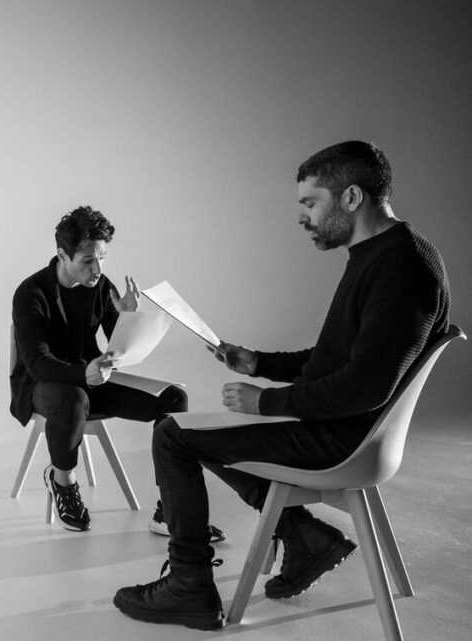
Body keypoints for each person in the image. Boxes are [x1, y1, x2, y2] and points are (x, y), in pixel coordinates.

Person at [113, 140, 451, 630]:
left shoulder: (400, 269)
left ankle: (189, 587)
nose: (301, 217)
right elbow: (339, 359)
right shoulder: (384, 254)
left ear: (351, 197)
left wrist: (266, 403)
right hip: (344, 427)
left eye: (311, 203)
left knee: (172, 435)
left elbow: (363, 388)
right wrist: (259, 364)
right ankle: (304, 537)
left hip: (342, 439)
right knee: (196, 431)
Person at [11, 206, 224, 540]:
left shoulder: (99, 286)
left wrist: (127, 318)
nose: (97, 269)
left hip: (93, 378)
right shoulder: (31, 293)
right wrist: (84, 373)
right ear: (62, 255)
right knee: (72, 398)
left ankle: (172, 510)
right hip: (44, 384)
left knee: (173, 398)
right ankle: (62, 481)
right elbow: (37, 363)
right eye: (88, 261)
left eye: (102, 259)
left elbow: (119, 349)